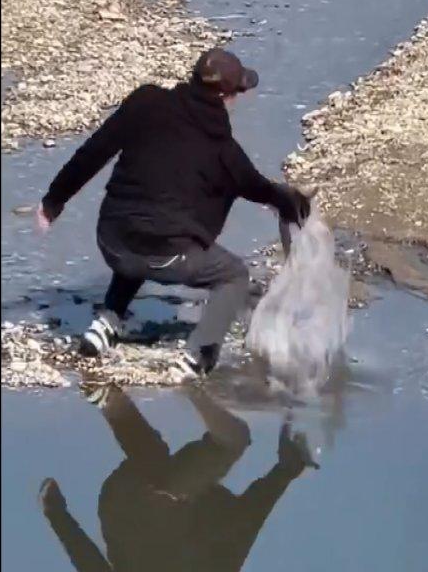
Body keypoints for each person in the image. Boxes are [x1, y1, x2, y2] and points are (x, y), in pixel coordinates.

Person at [37, 48, 310, 377]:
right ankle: (199, 356)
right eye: (238, 92)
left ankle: (106, 322)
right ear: (226, 96)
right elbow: (259, 188)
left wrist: (54, 201)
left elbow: (95, 150)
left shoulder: (146, 102)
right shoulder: (225, 151)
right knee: (233, 275)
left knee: (141, 222)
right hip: (166, 256)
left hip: (112, 239)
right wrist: (294, 204)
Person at [39, 384, 317, 572]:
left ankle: (109, 398)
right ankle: (189, 382)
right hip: (180, 495)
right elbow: (248, 521)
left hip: (128, 508)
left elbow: (90, 564)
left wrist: (57, 514)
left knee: (155, 459)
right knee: (234, 441)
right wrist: (285, 470)